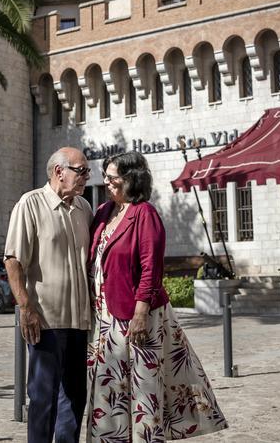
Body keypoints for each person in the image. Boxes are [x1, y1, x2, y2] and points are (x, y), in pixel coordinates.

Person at [86, 151, 228, 441]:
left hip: (139, 316)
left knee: (143, 390)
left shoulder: (144, 214)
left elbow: (152, 268)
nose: (107, 183)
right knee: (108, 390)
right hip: (105, 317)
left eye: (113, 178)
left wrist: (140, 313)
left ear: (132, 179)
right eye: (106, 177)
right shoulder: (102, 212)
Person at [4, 147, 94, 443]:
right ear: (59, 171)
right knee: (43, 398)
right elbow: (13, 259)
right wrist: (25, 308)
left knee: (75, 396)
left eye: (86, 171)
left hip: (80, 321)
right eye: (81, 170)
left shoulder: (85, 208)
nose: (86, 176)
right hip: (46, 320)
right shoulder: (30, 204)